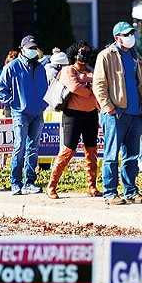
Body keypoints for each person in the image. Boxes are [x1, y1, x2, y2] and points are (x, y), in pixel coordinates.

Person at [93, 21, 142, 205]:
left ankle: (131, 191)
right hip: (115, 113)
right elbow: (99, 84)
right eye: (126, 34)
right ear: (117, 37)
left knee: (132, 156)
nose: (130, 37)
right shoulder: (106, 56)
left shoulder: (137, 57)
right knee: (111, 155)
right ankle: (110, 193)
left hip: (135, 113)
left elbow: (141, 83)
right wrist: (108, 106)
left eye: (131, 33)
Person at [46, 41, 102, 199]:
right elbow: (75, 87)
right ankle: (51, 186)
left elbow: (98, 84)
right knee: (68, 151)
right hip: (73, 116)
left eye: (86, 52)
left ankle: (92, 186)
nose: (83, 55)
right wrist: (91, 89)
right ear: (74, 53)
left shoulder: (91, 70)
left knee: (91, 151)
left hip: (91, 115)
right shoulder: (68, 70)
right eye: (81, 52)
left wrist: (88, 84)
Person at [0, 35, 49, 195]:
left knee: (33, 148)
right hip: (20, 113)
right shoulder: (12, 67)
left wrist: (43, 104)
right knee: (20, 147)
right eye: (30, 48)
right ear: (22, 48)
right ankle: (15, 182)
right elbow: (0, 90)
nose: (33, 50)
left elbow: (45, 89)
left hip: (37, 113)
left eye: (34, 48)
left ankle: (29, 182)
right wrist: (14, 103)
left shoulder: (39, 68)